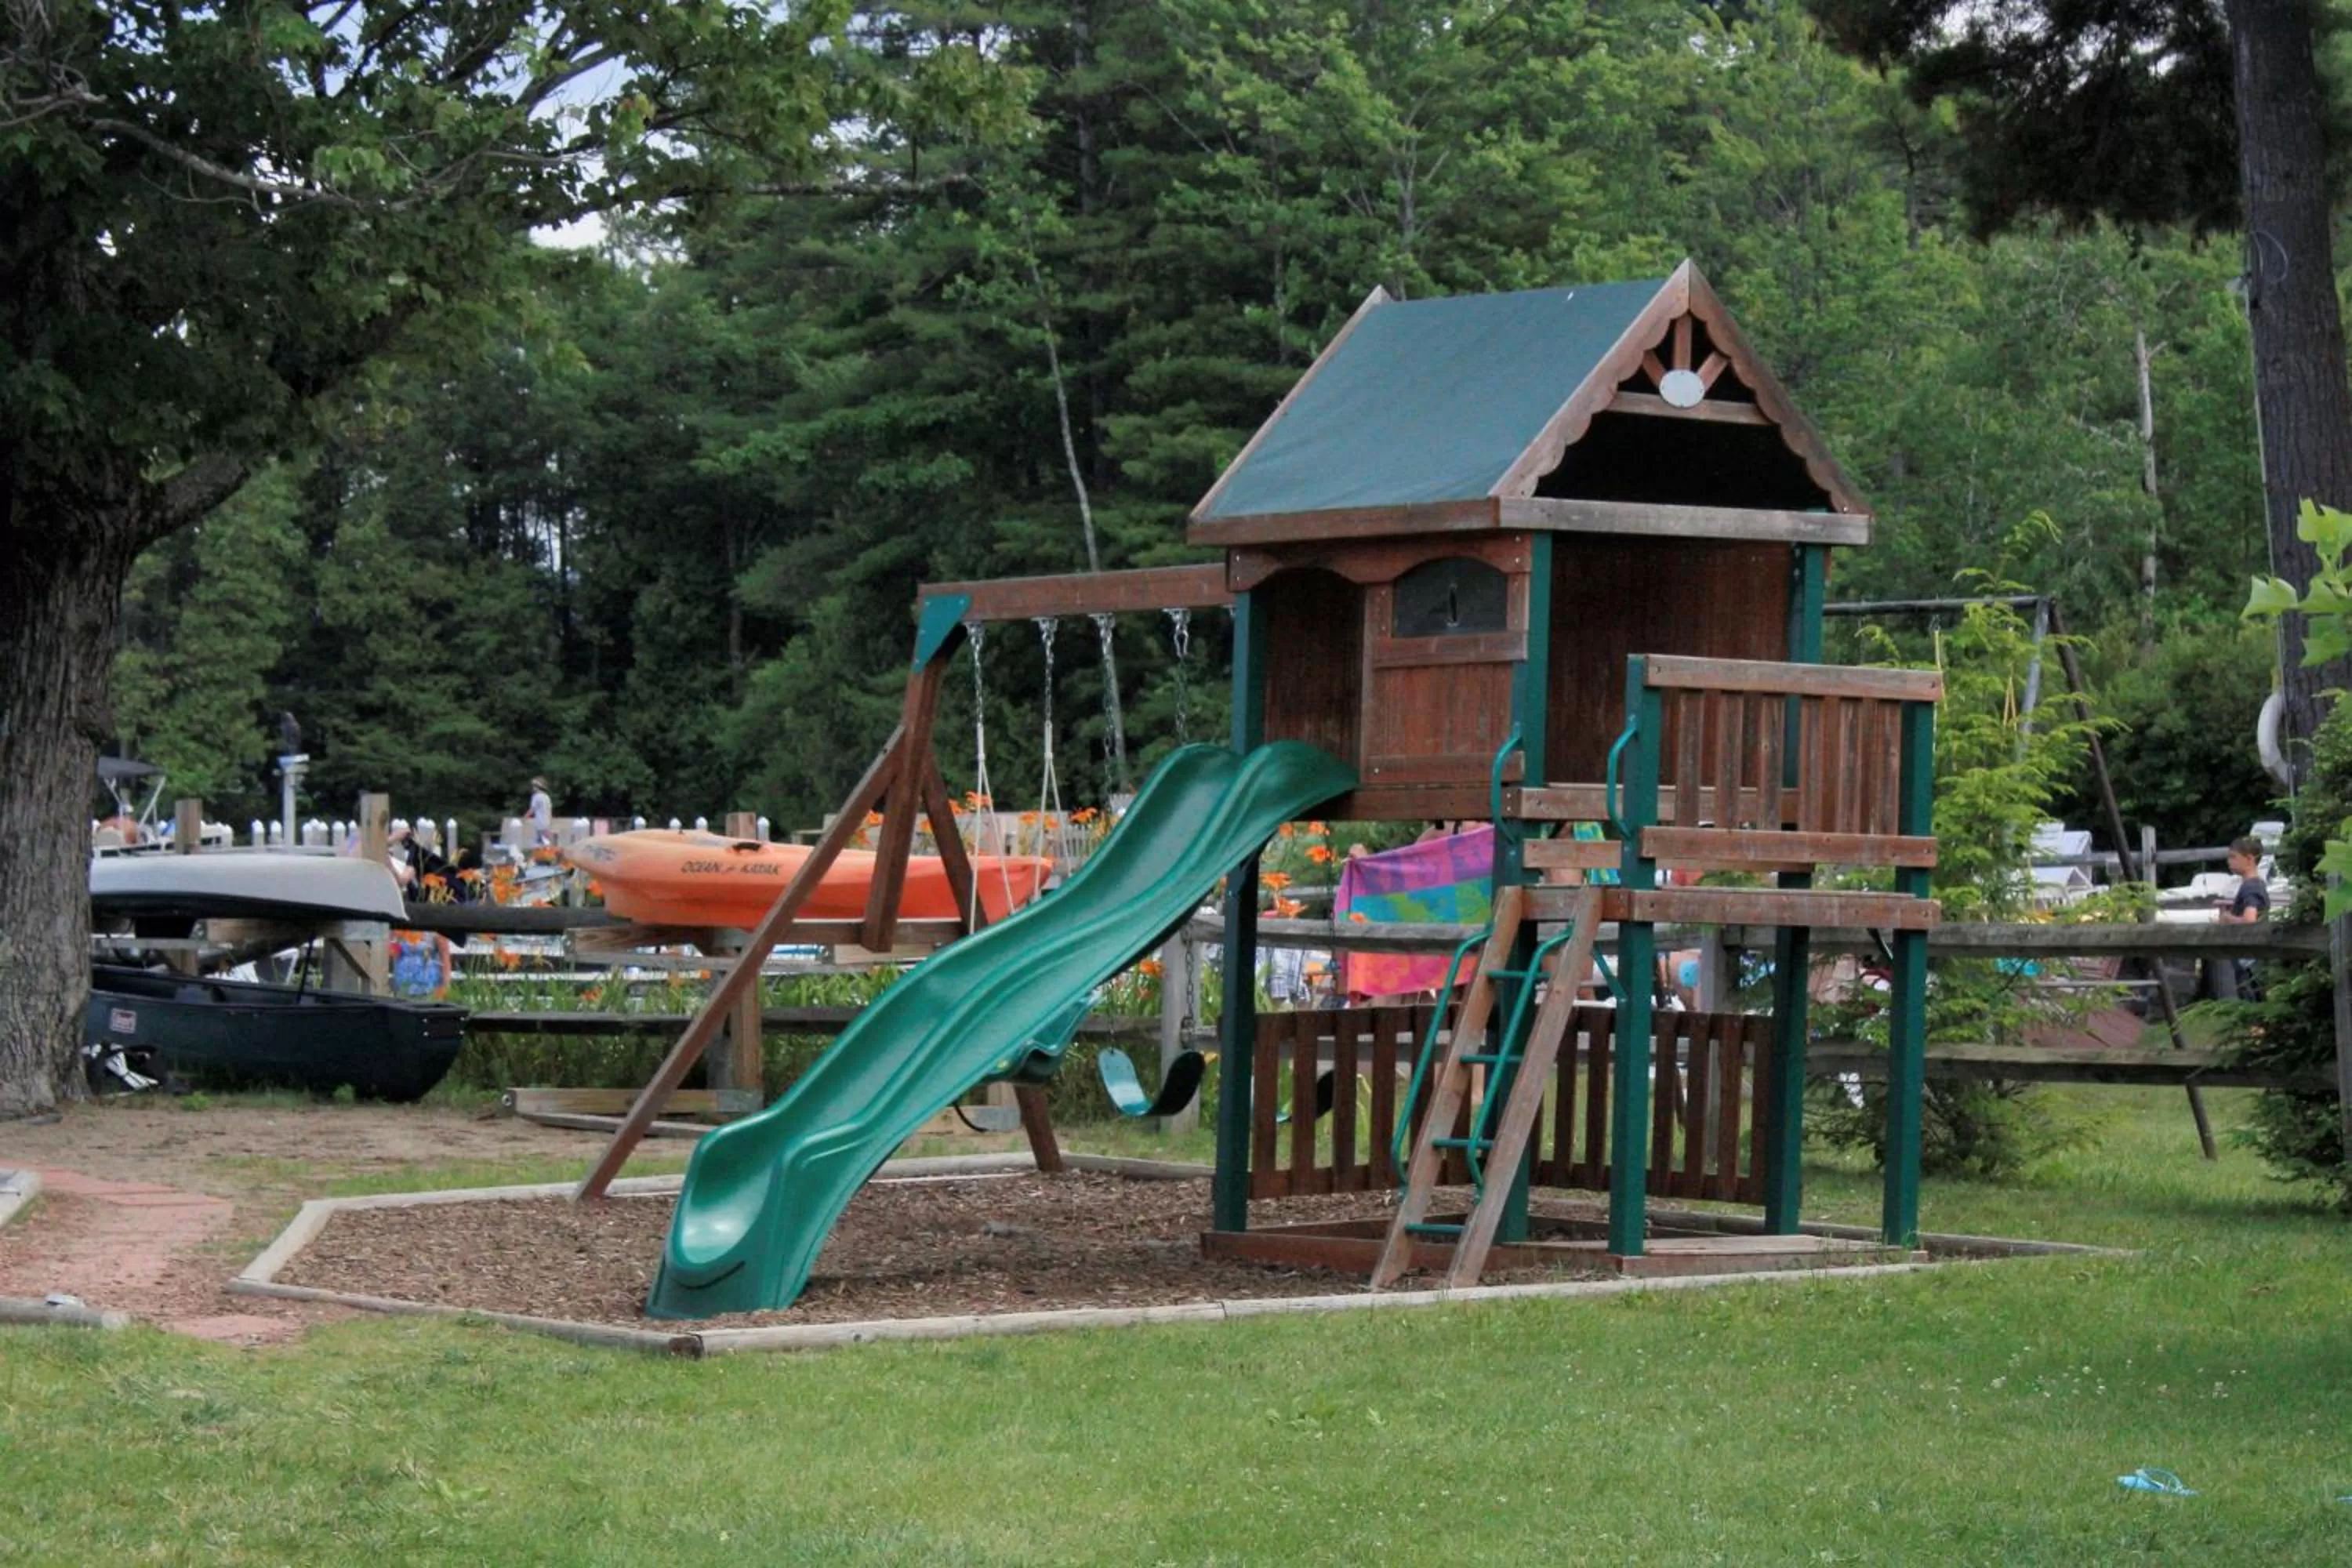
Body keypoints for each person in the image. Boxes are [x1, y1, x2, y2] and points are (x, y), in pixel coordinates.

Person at [2216, 833, 2270, 1000]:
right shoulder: (2257, 884)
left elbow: (2249, 920)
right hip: (2254, 957)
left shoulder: (2250, 887)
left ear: (2249, 859)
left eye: (2233, 857)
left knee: (2251, 1001)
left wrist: (2227, 918)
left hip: (2248, 960)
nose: (2229, 861)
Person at [526, 775, 554, 845]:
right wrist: (550, 822)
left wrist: (524, 818)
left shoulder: (536, 797)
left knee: (541, 841)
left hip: (540, 822)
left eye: (534, 786)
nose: (533, 788)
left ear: (537, 787)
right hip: (547, 822)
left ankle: (544, 853)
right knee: (545, 840)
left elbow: (532, 809)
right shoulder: (547, 797)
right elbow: (550, 811)